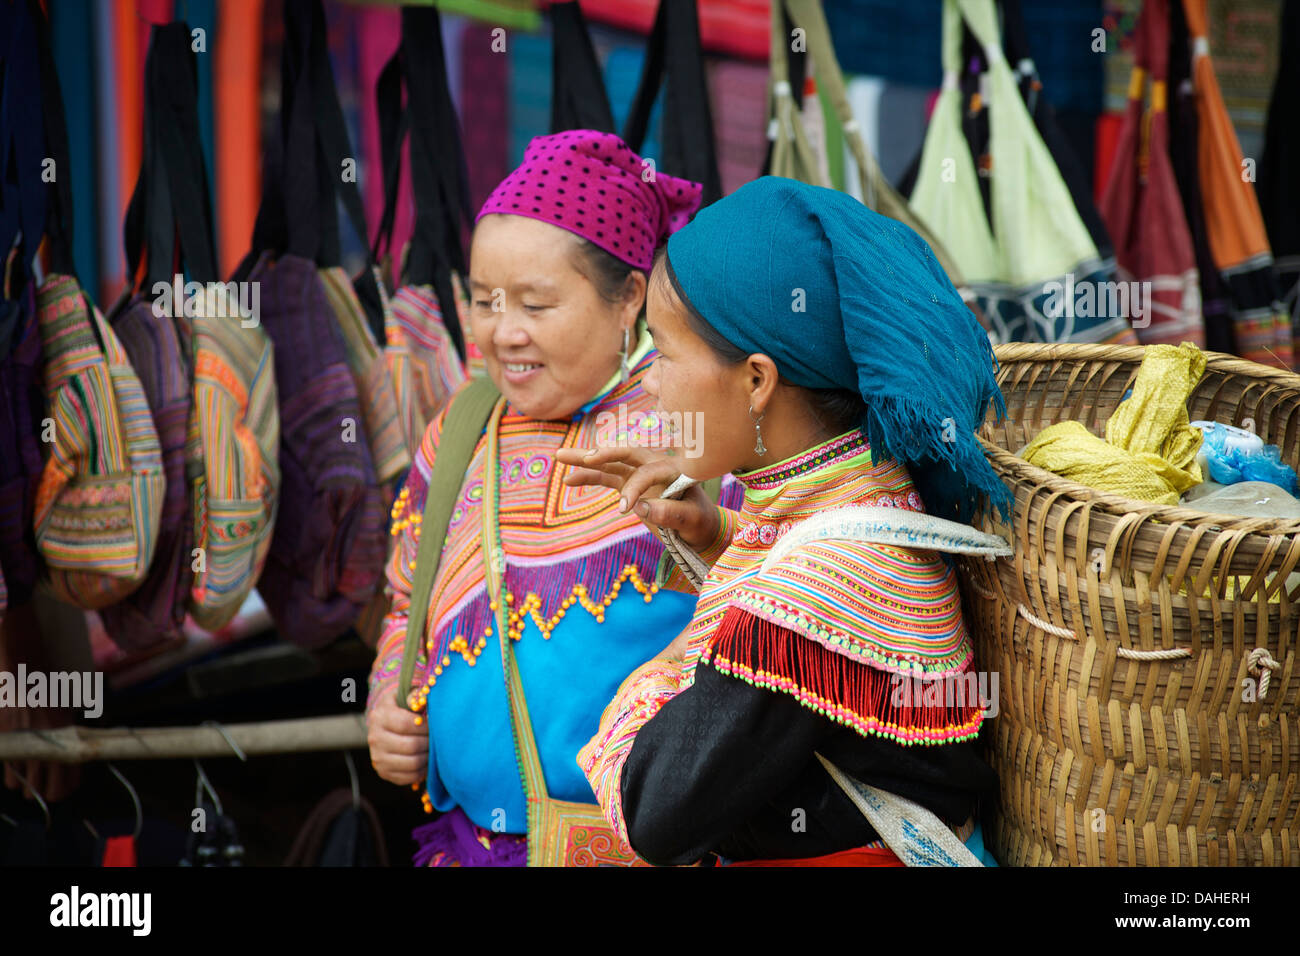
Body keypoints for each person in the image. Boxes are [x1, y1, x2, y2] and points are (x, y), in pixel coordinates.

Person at [564, 175, 1011, 866]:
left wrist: (655, 682)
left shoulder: (816, 587)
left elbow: (653, 809)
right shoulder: (872, 501)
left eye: (665, 351)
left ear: (756, 381)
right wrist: (715, 537)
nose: (648, 380)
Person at [364, 129, 736, 866]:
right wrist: (386, 706)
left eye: (535, 304)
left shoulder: (696, 435)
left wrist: (707, 528)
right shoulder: (462, 430)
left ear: (627, 295)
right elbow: (407, 602)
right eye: (484, 300)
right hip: (468, 846)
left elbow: (767, 609)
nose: (504, 332)